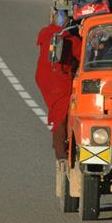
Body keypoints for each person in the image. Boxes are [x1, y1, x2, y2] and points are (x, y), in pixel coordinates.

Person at [35, 11, 81, 161]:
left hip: (43, 78)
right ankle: (61, 152)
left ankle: (58, 144)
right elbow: (81, 56)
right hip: (59, 81)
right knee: (61, 114)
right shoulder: (70, 39)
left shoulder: (45, 33)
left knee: (56, 111)